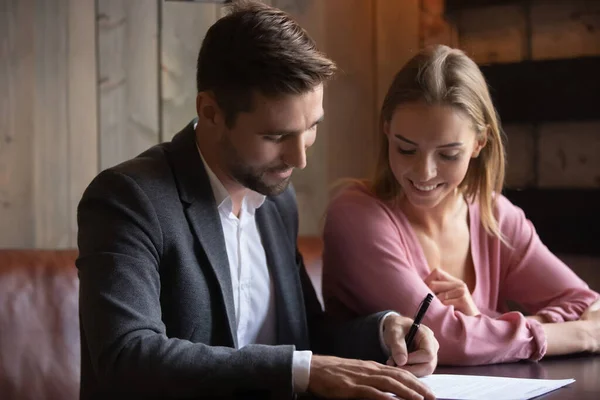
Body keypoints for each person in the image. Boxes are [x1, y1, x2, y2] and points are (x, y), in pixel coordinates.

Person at [76, 2, 439, 399]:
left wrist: (383, 331)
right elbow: (126, 357)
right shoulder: (128, 199)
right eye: (276, 136)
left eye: (311, 128)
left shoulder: (276, 201)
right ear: (210, 112)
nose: (299, 158)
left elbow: (305, 336)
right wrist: (297, 369)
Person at [322, 44, 600, 367]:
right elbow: (448, 338)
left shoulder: (494, 215)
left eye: (448, 155)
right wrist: (582, 335)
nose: (424, 172)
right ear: (387, 131)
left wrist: (483, 321)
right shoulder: (355, 217)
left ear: (478, 144)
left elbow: (585, 303)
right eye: (406, 149)